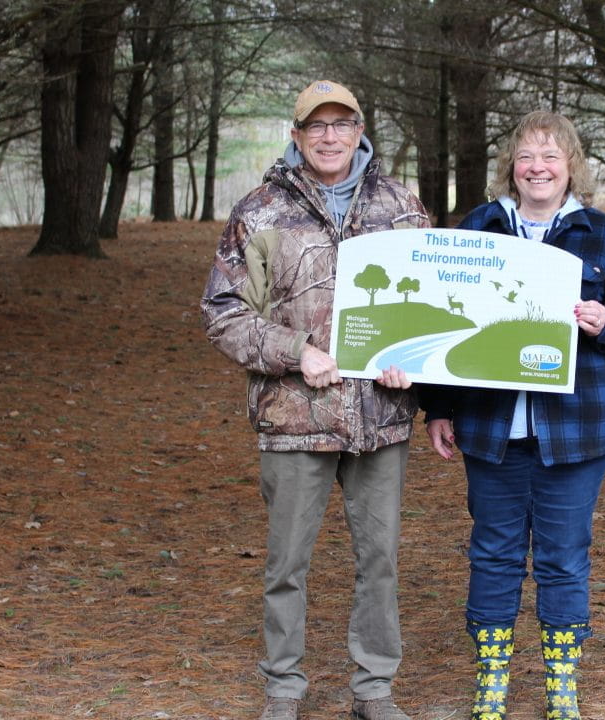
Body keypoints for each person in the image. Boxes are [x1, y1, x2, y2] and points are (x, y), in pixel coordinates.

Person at [201, 80, 429, 720]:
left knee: (379, 561)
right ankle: (283, 688)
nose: (329, 136)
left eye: (342, 123)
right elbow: (222, 312)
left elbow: (429, 305)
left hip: (379, 420)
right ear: (297, 135)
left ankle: (374, 690)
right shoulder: (262, 210)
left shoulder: (402, 208)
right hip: (295, 417)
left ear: (361, 131)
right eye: (316, 125)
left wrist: (410, 365)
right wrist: (294, 350)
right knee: (286, 565)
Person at [421, 111, 605, 720]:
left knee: (563, 553)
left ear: (570, 165)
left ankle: (560, 684)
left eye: (550, 156)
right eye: (527, 157)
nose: (538, 168)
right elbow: (442, 322)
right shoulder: (480, 229)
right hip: (491, 426)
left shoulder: (601, 235)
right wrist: (438, 407)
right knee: (493, 551)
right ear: (512, 168)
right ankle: (492, 678)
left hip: (575, 429)